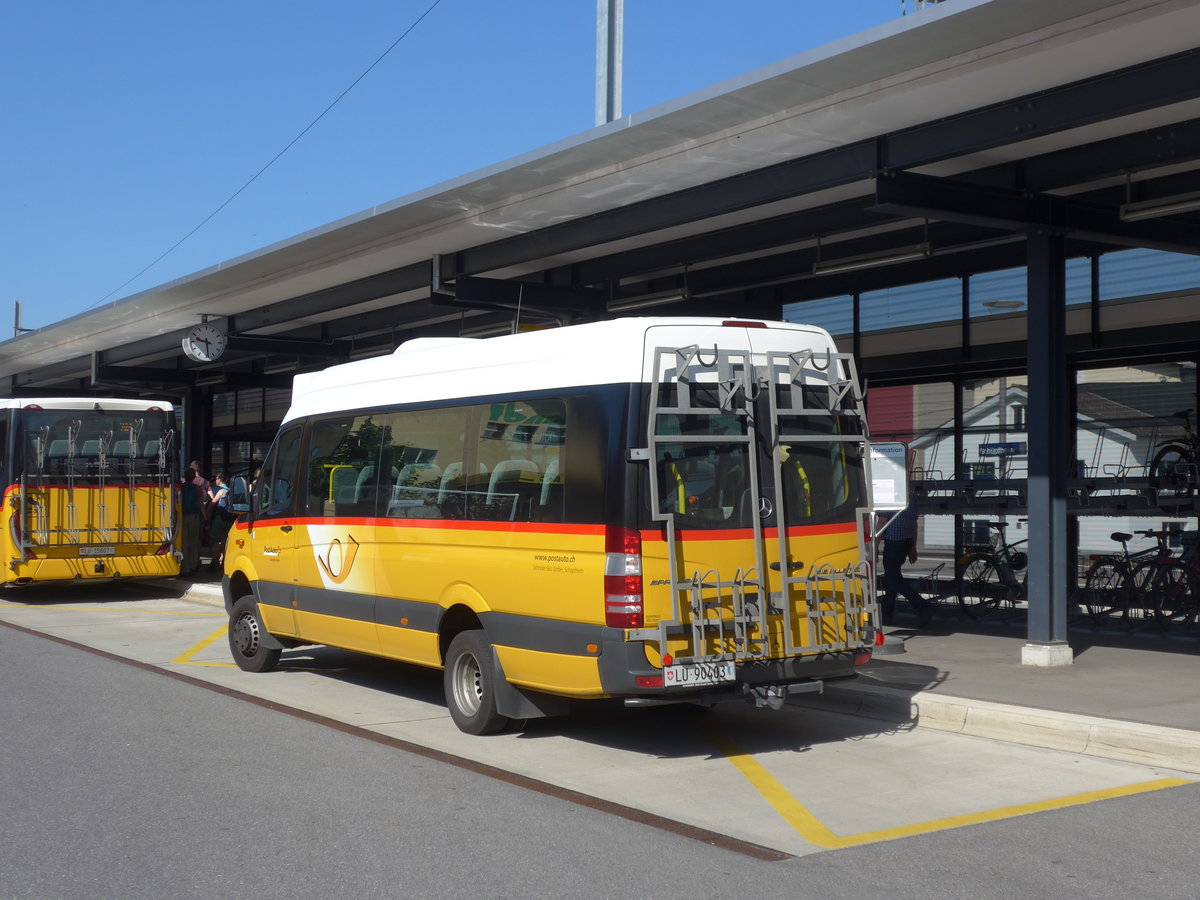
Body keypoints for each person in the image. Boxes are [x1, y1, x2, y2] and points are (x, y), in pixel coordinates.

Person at [878, 504, 935, 628]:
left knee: (892, 579)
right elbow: (914, 523)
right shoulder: (911, 496)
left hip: (894, 543)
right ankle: (887, 614)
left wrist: (874, 545)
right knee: (892, 576)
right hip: (906, 542)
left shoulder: (889, 497)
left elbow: (882, 522)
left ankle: (923, 606)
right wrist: (913, 546)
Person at [178, 468, 203, 575]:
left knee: (184, 542)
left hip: (182, 516)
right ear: (193, 477)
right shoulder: (197, 488)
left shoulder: (180, 488)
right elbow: (202, 501)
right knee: (193, 542)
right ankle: (193, 566)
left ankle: (184, 567)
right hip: (194, 516)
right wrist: (205, 516)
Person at [207, 472, 233, 569]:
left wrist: (207, 516)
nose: (216, 481)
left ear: (219, 480)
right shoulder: (231, 491)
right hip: (229, 520)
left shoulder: (221, 491)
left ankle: (215, 561)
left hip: (219, 519)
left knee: (214, 539)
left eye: (216, 479)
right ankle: (225, 562)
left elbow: (212, 504)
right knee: (225, 541)